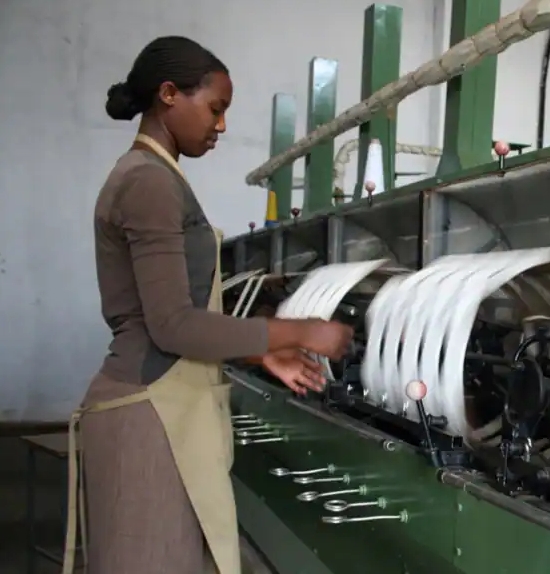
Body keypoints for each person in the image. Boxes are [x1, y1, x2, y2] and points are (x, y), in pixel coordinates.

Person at [61, 36, 353, 574]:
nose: (220, 126)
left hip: (163, 407)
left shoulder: (157, 177)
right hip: (148, 416)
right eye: (215, 109)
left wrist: (256, 354)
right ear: (169, 95)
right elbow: (173, 326)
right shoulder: (148, 182)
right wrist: (300, 332)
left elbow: (178, 316)